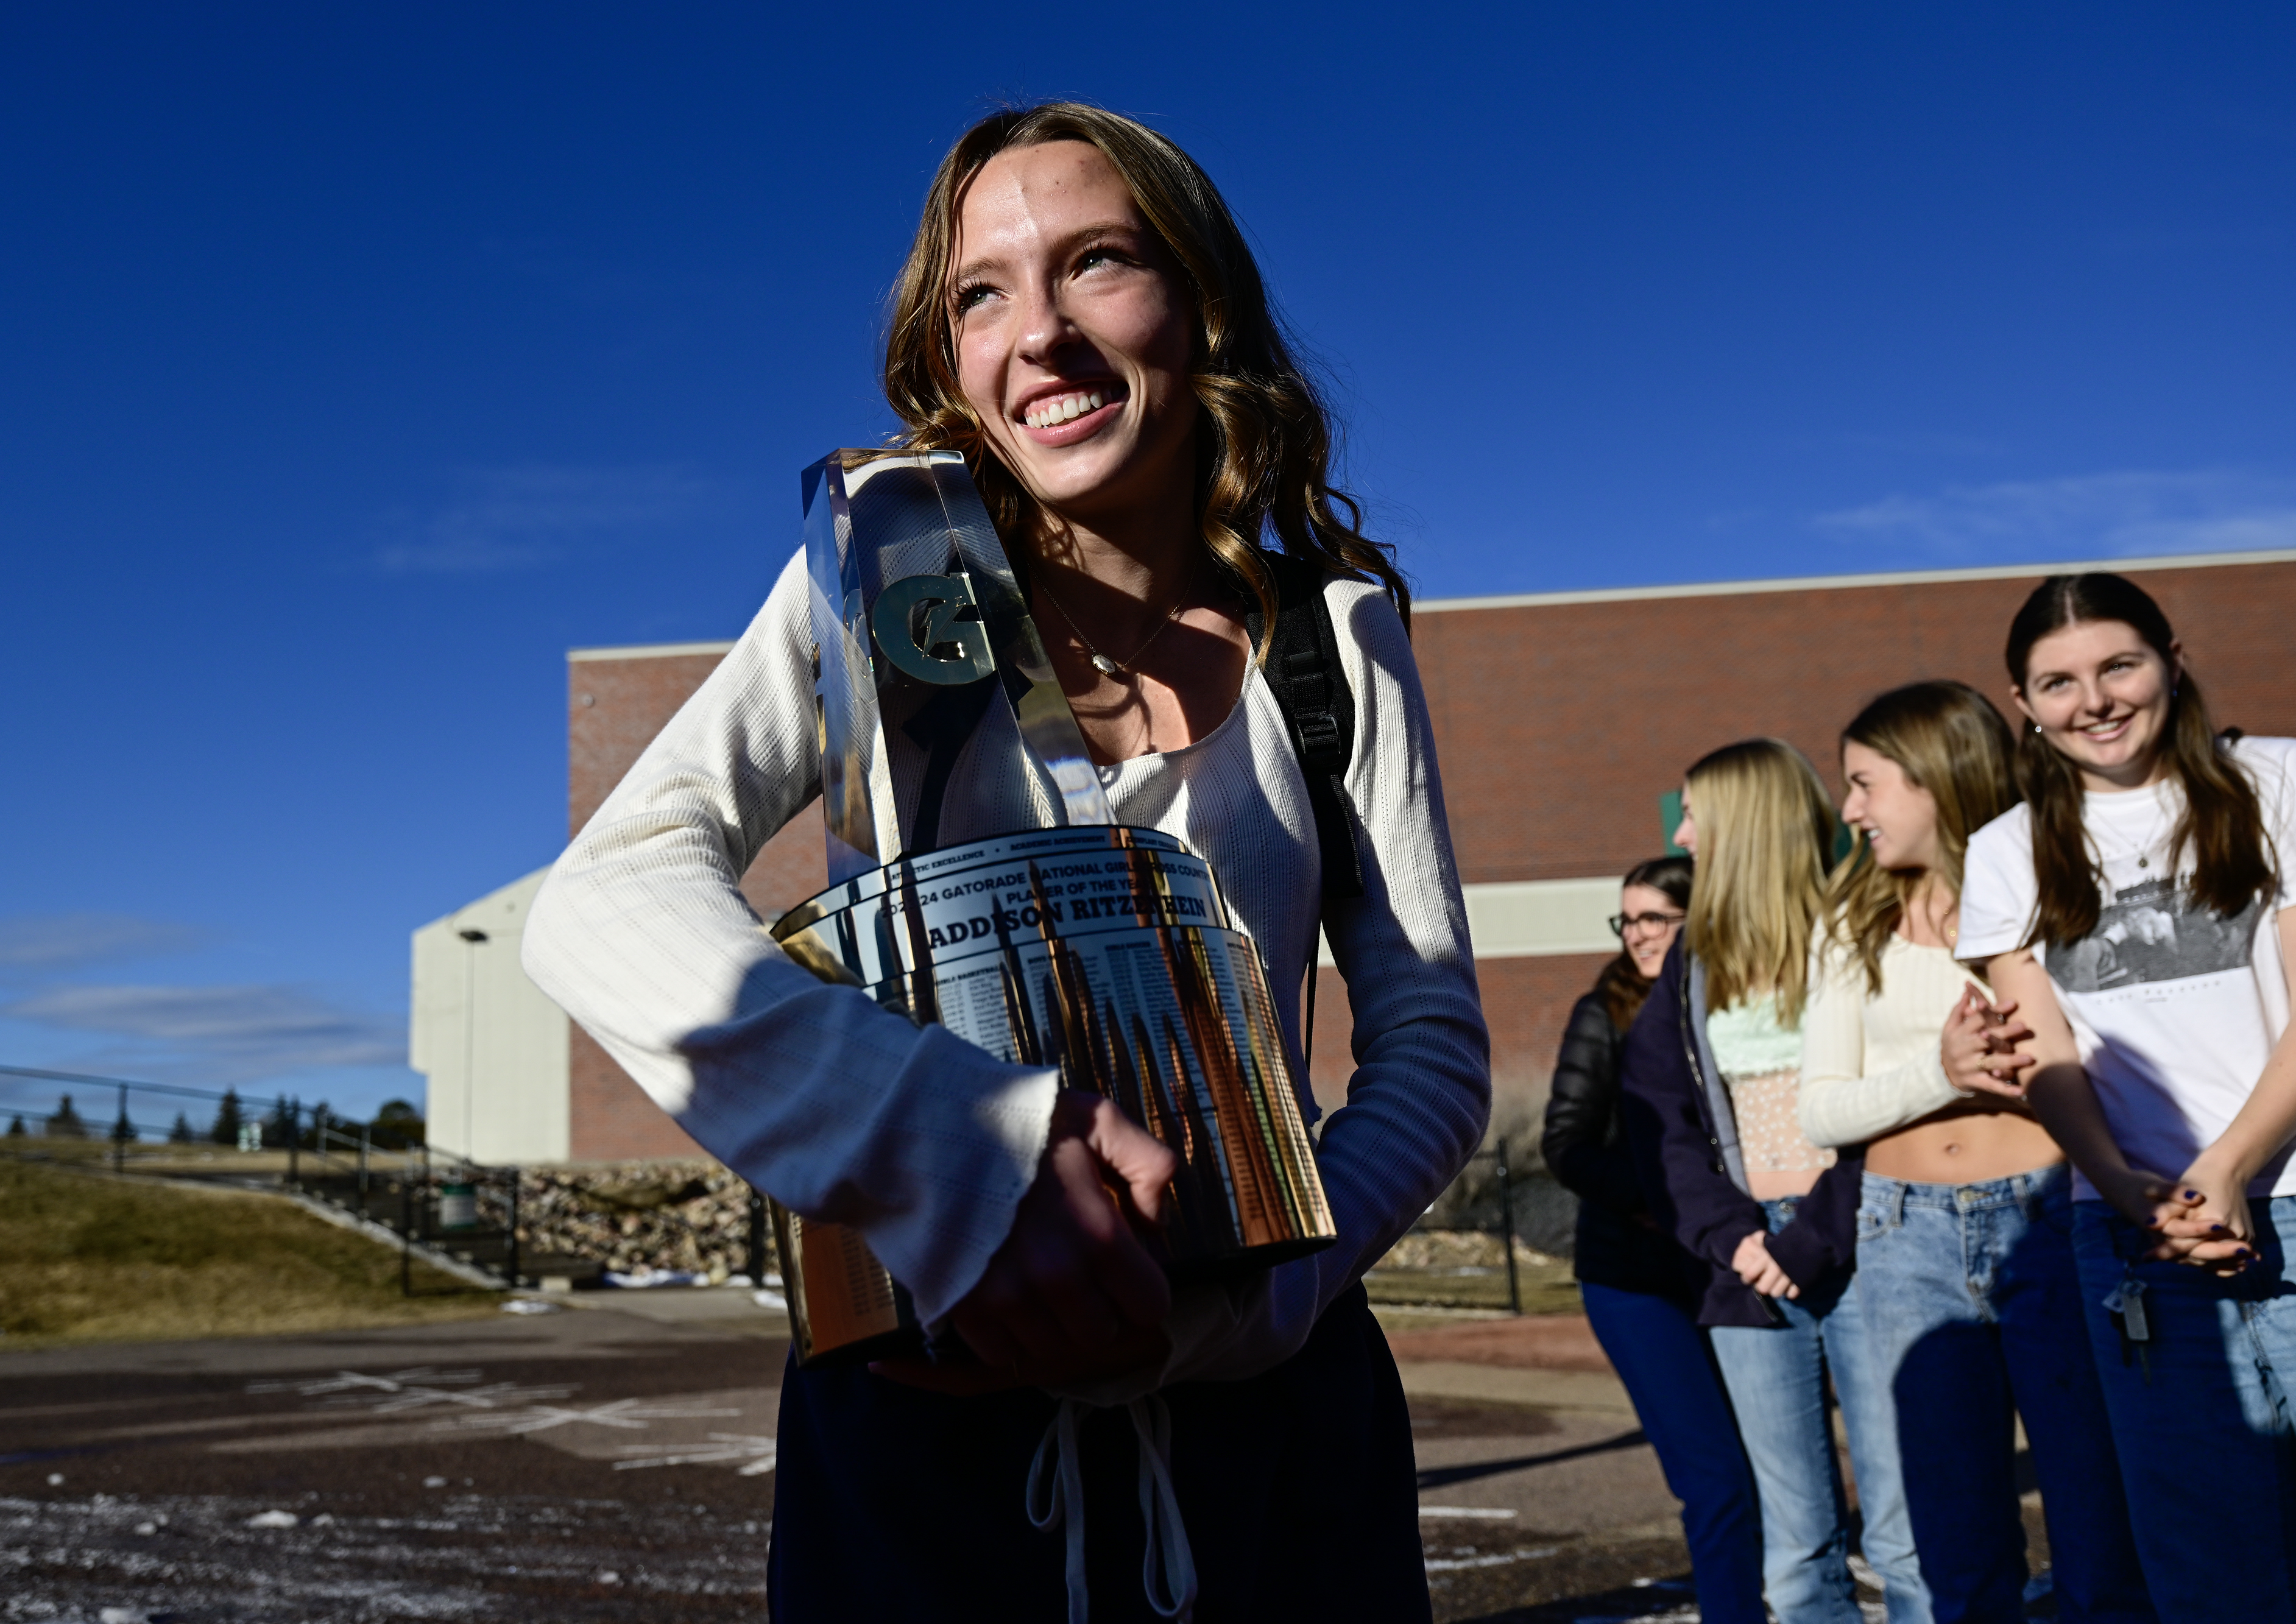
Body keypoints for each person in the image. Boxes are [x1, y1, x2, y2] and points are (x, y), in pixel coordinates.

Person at [522, 103, 1492, 1623]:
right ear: (948, 348)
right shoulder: (882, 577)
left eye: (1096, 262)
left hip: (1277, 1430)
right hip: (930, 1428)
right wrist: (955, 1150)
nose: (1035, 333)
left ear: (1202, 303)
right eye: (982, 290)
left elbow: (1430, 1048)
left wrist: (1257, 1305)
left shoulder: (1336, 641)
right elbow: (603, 897)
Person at [1954, 572, 2296, 1624]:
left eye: (2119, 664)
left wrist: (2223, 1170)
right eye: (2060, 681)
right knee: (2217, 1582)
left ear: (2170, 659)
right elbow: (2047, 1054)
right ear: (2023, 702)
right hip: (2138, 1243)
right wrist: (2136, 1199)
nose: (2096, 699)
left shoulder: (2283, 780)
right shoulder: (2003, 850)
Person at [1801, 680, 2152, 1623]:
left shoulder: (2051, 886)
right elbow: (1822, 1112)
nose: (1851, 809)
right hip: (1901, 1237)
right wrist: (1943, 1070)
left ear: (1937, 776)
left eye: (1867, 783)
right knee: (1956, 1545)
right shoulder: (1849, 922)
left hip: (2051, 1216)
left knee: (2098, 1525)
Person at [1620, 740, 1930, 1624]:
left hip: (1868, 1243)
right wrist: (1738, 1238)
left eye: (1696, 813)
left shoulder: (1861, 934)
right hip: (1747, 1267)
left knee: (1910, 1534)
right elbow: (1662, 1117)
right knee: (1795, 1547)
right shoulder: (1691, 962)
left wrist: (1810, 1236)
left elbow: (1892, 1107)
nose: (1682, 835)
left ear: (1749, 822)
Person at [1542, 854, 1767, 1624]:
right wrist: (1668, 1199)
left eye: (1654, 918)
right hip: (1635, 1279)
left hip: (1730, 1268)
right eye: (1627, 918)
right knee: (1715, 1479)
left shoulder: (1736, 1002)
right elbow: (1565, 1142)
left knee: (1768, 1468)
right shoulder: (1605, 1009)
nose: (1636, 934)